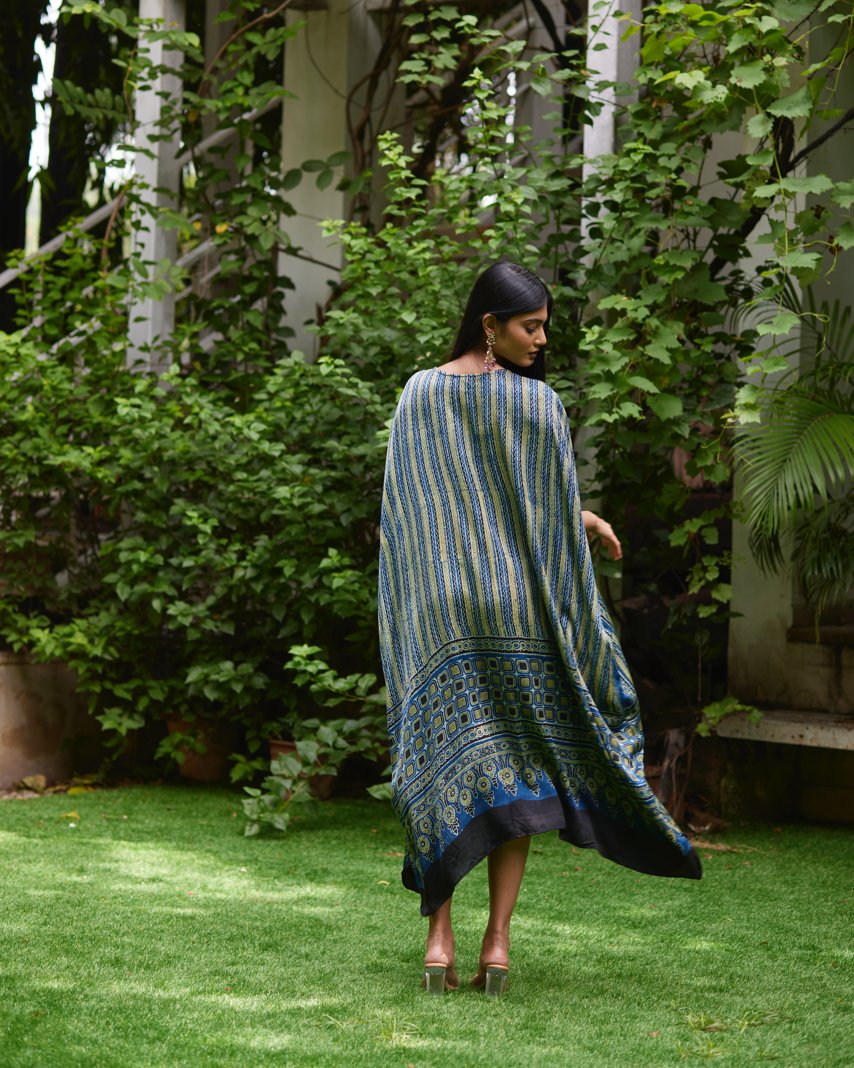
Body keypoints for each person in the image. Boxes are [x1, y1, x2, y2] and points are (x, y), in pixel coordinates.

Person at [377, 261, 701, 997]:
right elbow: (541, 515)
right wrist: (582, 521)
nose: (542, 340)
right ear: (490, 324)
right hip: (518, 613)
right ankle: (496, 945)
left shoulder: (420, 394)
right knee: (520, 769)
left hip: (443, 617)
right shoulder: (537, 404)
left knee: (440, 768)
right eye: (532, 326)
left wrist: (412, 607)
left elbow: (409, 516)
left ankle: (438, 940)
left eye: (544, 326)